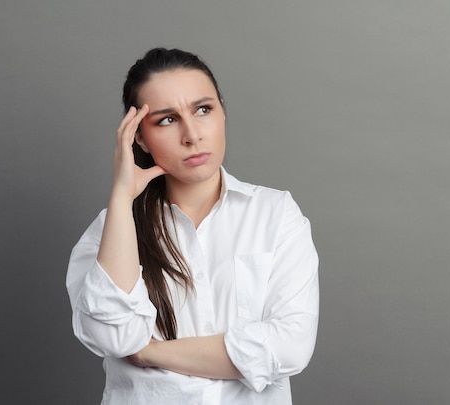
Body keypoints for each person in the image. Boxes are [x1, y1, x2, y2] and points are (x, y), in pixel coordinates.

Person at [66, 48, 319, 404]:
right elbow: (115, 338)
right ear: (138, 137)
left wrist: (150, 352)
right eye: (167, 120)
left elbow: (290, 347)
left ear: (222, 112)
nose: (192, 135)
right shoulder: (111, 230)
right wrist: (122, 199)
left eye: (203, 110)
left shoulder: (275, 214)